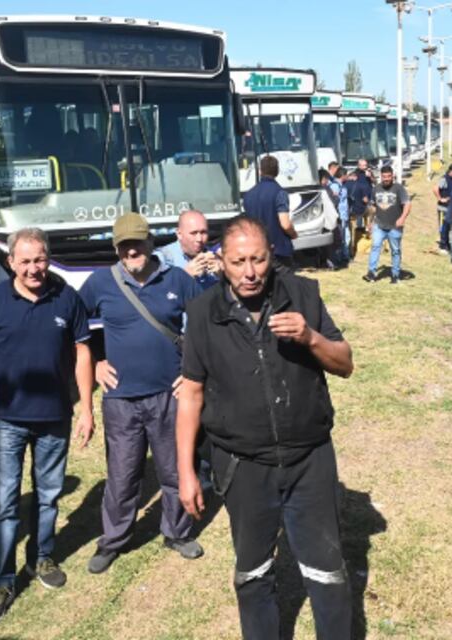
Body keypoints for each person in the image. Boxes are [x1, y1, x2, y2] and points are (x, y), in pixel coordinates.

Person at [176, 215, 355, 640]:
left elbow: (345, 363)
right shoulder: (203, 313)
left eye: (258, 259)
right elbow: (191, 396)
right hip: (244, 466)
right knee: (253, 574)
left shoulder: (302, 294)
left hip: (309, 459)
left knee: (327, 573)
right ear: (221, 262)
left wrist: (310, 337)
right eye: (239, 262)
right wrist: (185, 472)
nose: (250, 272)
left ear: (272, 256)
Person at [0, 227, 94, 623]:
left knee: (48, 496)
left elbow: (83, 352)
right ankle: (2, 580)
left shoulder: (67, 298)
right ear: (11, 263)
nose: (34, 268)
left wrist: (87, 407)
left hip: (55, 417)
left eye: (40, 259)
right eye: (26, 261)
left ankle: (42, 558)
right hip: (6, 420)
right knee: (3, 505)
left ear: (48, 258)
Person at [81, 213, 204, 576]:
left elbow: (204, 326)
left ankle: (177, 532)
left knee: (173, 468)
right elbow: (73, 326)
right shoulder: (100, 282)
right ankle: (114, 540)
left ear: (151, 243)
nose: (131, 251)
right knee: (122, 476)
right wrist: (97, 363)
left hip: (170, 395)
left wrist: (192, 373)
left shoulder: (178, 279)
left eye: (137, 243)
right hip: (121, 400)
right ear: (116, 248)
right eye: (124, 246)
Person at [242, 155, 297, 269]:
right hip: (279, 251)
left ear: (260, 171)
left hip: (256, 250)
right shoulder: (280, 193)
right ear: (277, 171)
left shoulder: (248, 195)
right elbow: (285, 224)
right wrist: (294, 234)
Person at [364, 165, 411, 284]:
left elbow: (407, 204)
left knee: (395, 250)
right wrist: (370, 222)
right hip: (379, 225)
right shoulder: (376, 189)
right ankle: (371, 273)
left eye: (388, 176)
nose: (386, 179)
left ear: (392, 176)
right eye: (384, 176)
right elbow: (373, 207)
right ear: (381, 176)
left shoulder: (399, 189)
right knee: (375, 247)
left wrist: (402, 218)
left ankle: (395, 275)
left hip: (394, 226)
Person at [156, 209, 222, 289]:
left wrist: (222, 275)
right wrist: (184, 276)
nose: (199, 239)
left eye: (203, 232)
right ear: (179, 234)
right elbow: (154, 294)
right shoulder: (162, 258)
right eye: (193, 233)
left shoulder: (214, 256)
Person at [433, 162, 452, 253]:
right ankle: (442, 245)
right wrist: (440, 199)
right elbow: (435, 188)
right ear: (451, 171)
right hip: (443, 208)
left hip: (450, 208)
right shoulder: (444, 179)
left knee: (448, 227)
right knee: (443, 227)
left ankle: (447, 244)